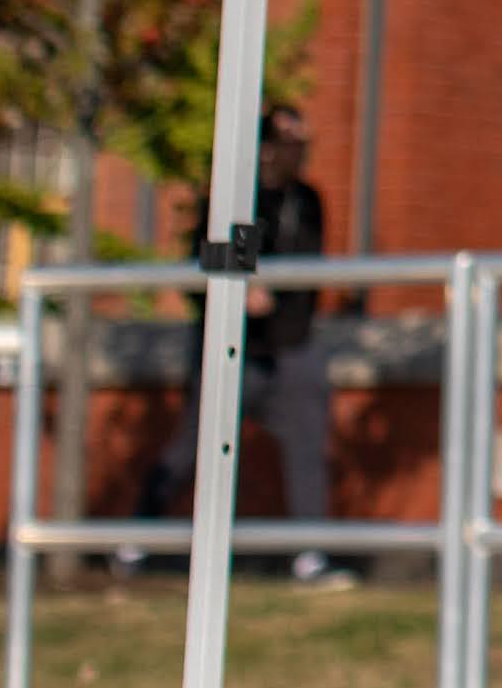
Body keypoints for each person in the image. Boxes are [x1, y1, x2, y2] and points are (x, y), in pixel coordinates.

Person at [126, 101, 349, 589]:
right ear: (266, 150)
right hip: (238, 348)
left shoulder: (307, 200)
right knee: (195, 442)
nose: (300, 154)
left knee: (308, 446)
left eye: (304, 144)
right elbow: (200, 270)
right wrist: (242, 289)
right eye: (290, 144)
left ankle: (311, 554)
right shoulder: (239, 201)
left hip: (292, 346)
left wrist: (284, 303)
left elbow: (310, 268)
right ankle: (136, 538)